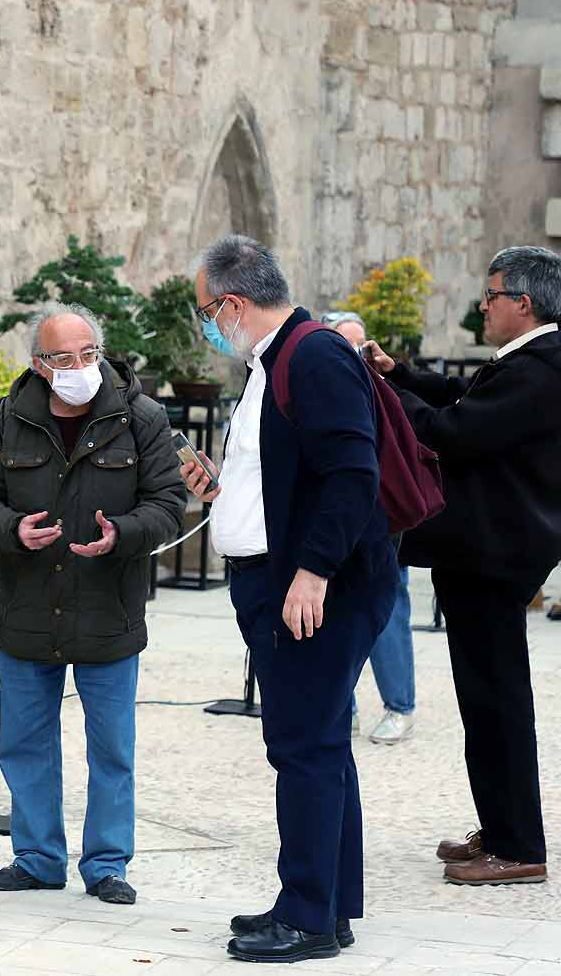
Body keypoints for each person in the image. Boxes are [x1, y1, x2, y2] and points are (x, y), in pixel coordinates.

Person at [182, 236, 397, 963]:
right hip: (284, 580)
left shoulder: (312, 354)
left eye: (208, 311)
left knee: (303, 745)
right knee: (320, 742)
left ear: (234, 303)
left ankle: (307, 914)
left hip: (315, 588)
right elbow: (284, 468)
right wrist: (223, 486)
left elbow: (352, 471)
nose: (209, 326)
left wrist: (313, 572)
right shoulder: (270, 362)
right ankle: (325, 906)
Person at [0, 303, 185, 907]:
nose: (80, 367)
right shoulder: (6, 419)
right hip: (29, 607)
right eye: (63, 358)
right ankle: (36, 859)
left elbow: (169, 502)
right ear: (39, 363)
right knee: (24, 742)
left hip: (108, 605)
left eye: (89, 354)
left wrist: (125, 535)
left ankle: (107, 864)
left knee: (112, 747)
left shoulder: (141, 418)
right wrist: (11, 528)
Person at [361, 245, 561, 887]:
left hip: (494, 554)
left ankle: (518, 844)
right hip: (485, 551)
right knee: (487, 699)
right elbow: (461, 395)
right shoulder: (526, 363)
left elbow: (456, 431)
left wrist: (383, 396)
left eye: (492, 294)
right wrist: (399, 374)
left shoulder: (542, 368)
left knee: (497, 700)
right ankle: (502, 826)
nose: (484, 305)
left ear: (522, 304)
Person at [321, 310, 416, 745]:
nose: (356, 355)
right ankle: (345, 704)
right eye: (346, 346)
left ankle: (399, 705)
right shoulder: (320, 391)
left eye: (362, 345)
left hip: (380, 521)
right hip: (334, 523)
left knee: (389, 612)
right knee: (331, 617)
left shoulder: (385, 394)